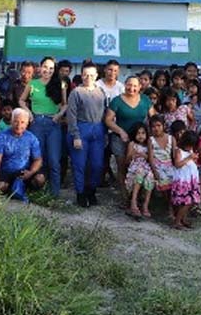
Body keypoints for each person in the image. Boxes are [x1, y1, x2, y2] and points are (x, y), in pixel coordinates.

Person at [19, 57, 66, 197]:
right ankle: (36, 189)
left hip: (53, 123)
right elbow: (21, 100)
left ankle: (55, 194)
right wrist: (29, 113)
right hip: (37, 122)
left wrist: (59, 115)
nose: (48, 70)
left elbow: (65, 104)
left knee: (54, 159)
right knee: (38, 158)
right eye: (45, 67)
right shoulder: (33, 84)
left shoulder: (60, 84)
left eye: (51, 68)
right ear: (40, 67)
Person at [105, 75, 152, 206]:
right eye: (129, 85)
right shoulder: (116, 101)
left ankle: (138, 196)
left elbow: (153, 117)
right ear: (124, 85)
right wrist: (120, 131)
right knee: (122, 166)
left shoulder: (145, 100)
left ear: (140, 87)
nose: (132, 88)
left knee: (140, 166)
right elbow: (108, 120)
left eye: (135, 85)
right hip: (120, 138)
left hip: (139, 139)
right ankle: (125, 195)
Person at [66, 61, 107, 207]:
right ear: (81, 75)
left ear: (96, 76)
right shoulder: (76, 92)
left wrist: (104, 132)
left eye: (91, 75)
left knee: (96, 164)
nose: (88, 77)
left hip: (97, 130)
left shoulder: (101, 91)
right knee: (79, 164)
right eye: (85, 75)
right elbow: (71, 115)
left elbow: (105, 113)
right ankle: (80, 193)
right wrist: (76, 136)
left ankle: (91, 190)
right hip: (81, 128)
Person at [0, 108, 45, 195]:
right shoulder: (1, 137)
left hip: (25, 171)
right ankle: (12, 190)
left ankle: (27, 190)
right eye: (16, 121)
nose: (19, 125)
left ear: (27, 124)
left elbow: (38, 160)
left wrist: (30, 172)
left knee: (40, 179)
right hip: (7, 170)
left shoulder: (32, 138)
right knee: (1, 187)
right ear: (11, 122)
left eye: (22, 122)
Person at [170, 130, 201, 230]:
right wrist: (188, 158)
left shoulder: (190, 151)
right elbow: (177, 164)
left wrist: (193, 159)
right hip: (183, 181)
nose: (190, 147)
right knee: (185, 202)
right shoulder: (179, 151)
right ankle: (177, 221)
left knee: (191, 201)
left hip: (191, 179)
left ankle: (183, 219)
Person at [124, 122, 156, 219]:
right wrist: (131, 154)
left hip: (147, 168)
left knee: (150, 176)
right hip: (135, 169)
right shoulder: (132, 144)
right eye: (138, 133)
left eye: (143, 133)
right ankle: (133, 201)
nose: (141, 136)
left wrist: (145, 156)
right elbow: (126, 161)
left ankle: (145, 205)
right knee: (139, 172)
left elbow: (151, 159)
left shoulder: (148, 145)